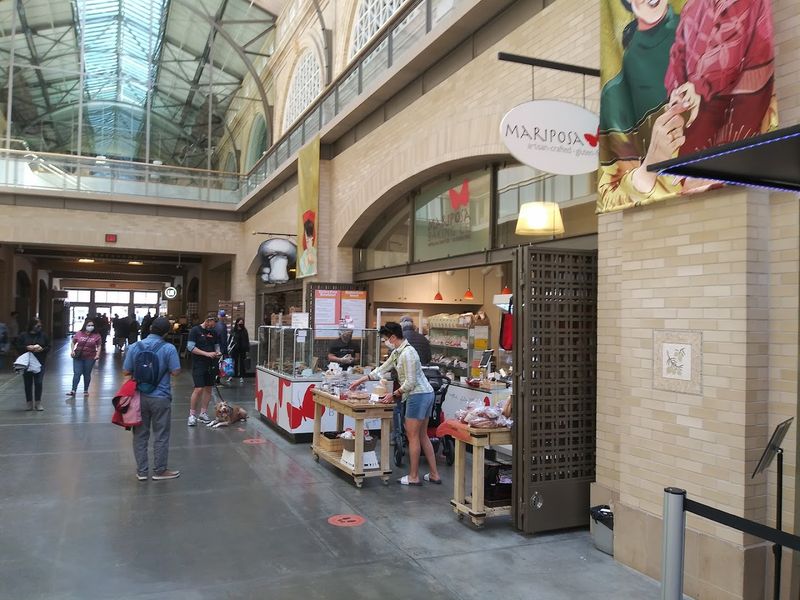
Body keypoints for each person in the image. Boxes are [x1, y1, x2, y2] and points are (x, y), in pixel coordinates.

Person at [350, 322, 440, 486]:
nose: (385, 342)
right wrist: (361, 380)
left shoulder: (408, 354)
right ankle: (434, 474)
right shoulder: (399, 352)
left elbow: (410, 383)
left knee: (412, 436)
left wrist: (393, 395)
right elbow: (382, 369)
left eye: (385, 339)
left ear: (393, 337)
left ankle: (413, 476)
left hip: (418, 395)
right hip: (425, 394)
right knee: (422, 435)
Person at [123, 316, 181, 481]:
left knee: (140, 435)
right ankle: (160, 471)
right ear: (166, 333)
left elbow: (126, 371)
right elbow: (176, 371)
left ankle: (142, 472)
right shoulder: (169, 348)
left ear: (150, 329)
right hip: (161, 397)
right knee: (161, 434)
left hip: (139, 397)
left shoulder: (134, 346)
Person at [187, 312, 221, 426]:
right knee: (199, 389)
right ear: (207, 320)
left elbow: (216, 346)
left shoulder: (214, 332)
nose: (212, 327)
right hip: (199, 364)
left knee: (208, 388)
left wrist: (218, 352)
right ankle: (192, 415)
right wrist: (206, 354)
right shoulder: (195, 331)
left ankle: (203, 413)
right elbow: (190, 347)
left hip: (211, 364)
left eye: (214, 325)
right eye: (211, 324)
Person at [16, 318, 50, 411]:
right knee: (28, 383)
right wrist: (27, 347)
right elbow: (18, 346)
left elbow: (48, 347)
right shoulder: (23, 335)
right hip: (26, 363)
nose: (39, 327)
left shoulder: (43, 335)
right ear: (32, 326)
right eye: (37, 326)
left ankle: (38, 403)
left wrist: (42, 349)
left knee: (38, 382)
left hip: (39, 362)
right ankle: (29, 403)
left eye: (40, 326)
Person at [67, 318, 101, 397]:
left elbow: (99, 345)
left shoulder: (96, 335)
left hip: (90, 357)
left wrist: (97, 355)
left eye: (92, 325)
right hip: (78, 356)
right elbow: (73, 342)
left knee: (87, 374)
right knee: (77, 373)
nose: (90, 327)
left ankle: (86, 390)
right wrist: (72, 351)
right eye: (89, 325)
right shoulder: (79, 333)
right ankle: (73, 390)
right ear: (85, 326)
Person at [228, 318, 250, 384]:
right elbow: (230, 339)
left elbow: (247, 340)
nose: (240, 324)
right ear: (237, 323)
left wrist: (247, 350)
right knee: (234, 362)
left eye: (242, 323)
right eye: (239, 323)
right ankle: (232, 375)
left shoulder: (244, 331)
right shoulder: (233, 330)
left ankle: (241, 376)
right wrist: (229, 347)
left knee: (242, 363)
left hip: (242, 349)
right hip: (234, 349)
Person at [214, 310, 229, 384]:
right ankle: (217, 378)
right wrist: (225, 351)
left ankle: (215, 377)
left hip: (215, 346)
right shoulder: (223, 326)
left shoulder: (216, 325)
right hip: (220, 347)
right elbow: (223, 340)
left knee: (216, 363)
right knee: (220, 363)